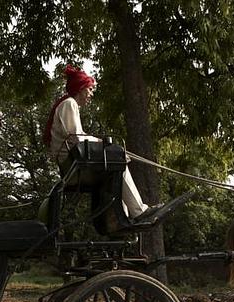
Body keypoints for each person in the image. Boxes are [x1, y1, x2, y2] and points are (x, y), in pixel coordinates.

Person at [43, 65, 159, 223]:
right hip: (73, 166)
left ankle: (122, 218)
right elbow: (76, 138)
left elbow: (78, 137)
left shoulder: (69, 105)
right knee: (119, 164)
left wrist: (101, 143)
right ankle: (138, 212)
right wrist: (104, 144)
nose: (91, 94)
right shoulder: (69, 104)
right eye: (90, 90)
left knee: (115, 166)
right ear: (81, 88)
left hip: (72, 164)